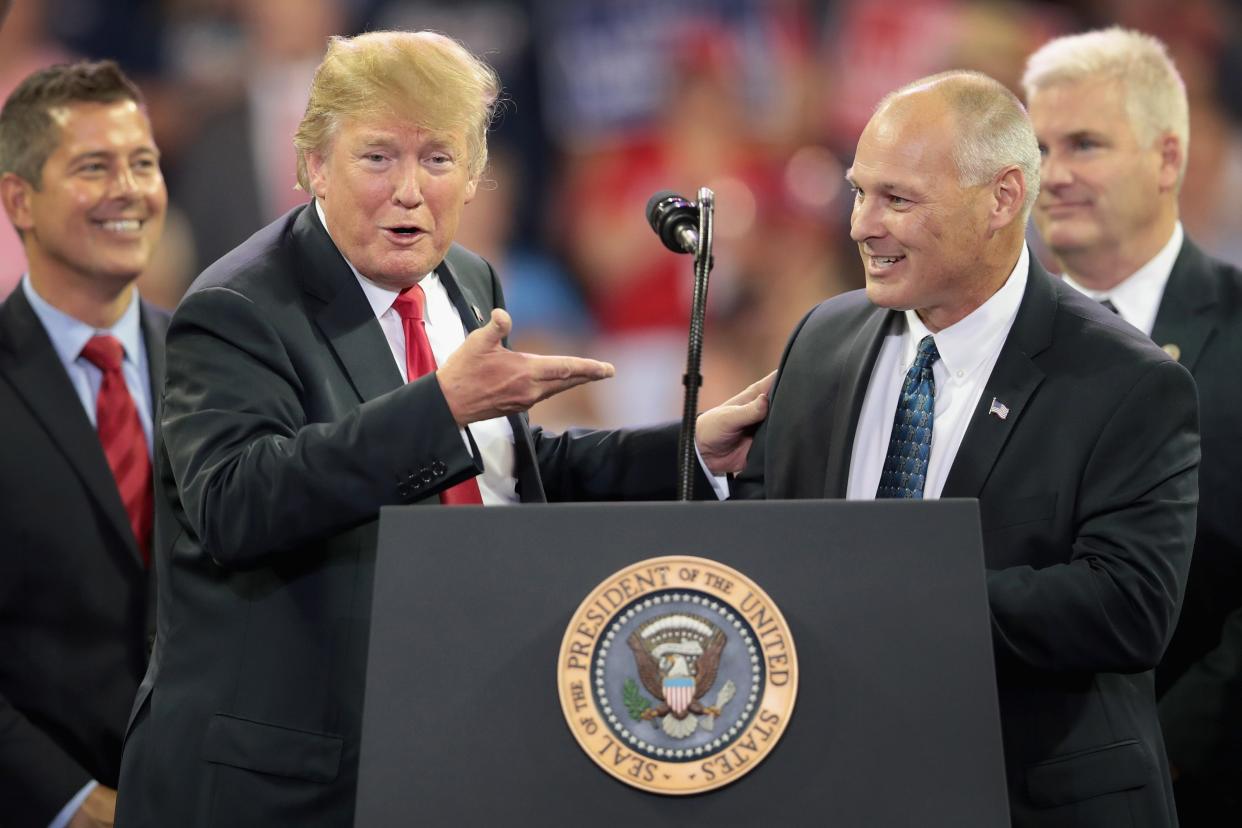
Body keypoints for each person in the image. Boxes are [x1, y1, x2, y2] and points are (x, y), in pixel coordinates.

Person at [114, 30, 765, 828]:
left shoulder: (464, 279)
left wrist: (687, 448)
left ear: (476, 176)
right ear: (314, 162)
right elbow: (236, 503)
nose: (410, 192)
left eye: (438, 160)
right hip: (283, 783)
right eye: (378, 157)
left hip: (443, 746)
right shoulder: (238, 308)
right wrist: (437, 408)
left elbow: (504, 472)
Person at [730, 70, 1199, 827]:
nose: (861, 225)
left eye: (898, 200)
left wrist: (892, 600)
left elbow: (1129, 606)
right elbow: (768, 517)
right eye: (858, 191)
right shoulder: (823, 338)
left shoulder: (1126, 381)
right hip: (832, 782)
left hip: (1030, 797)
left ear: (1003, 198)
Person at [1022, 28, 1242, 823]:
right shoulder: (989, 343)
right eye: (1039, 147)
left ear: (1168, 158)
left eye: (1085, 144)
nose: (1055, 175)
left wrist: (1163, 748)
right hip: (1019, 780)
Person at [0, 61, 168, 828]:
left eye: (143, 163)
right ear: (19, 201)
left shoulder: (223, 364)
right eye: (94, 167)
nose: (128, 190)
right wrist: (71, 801)